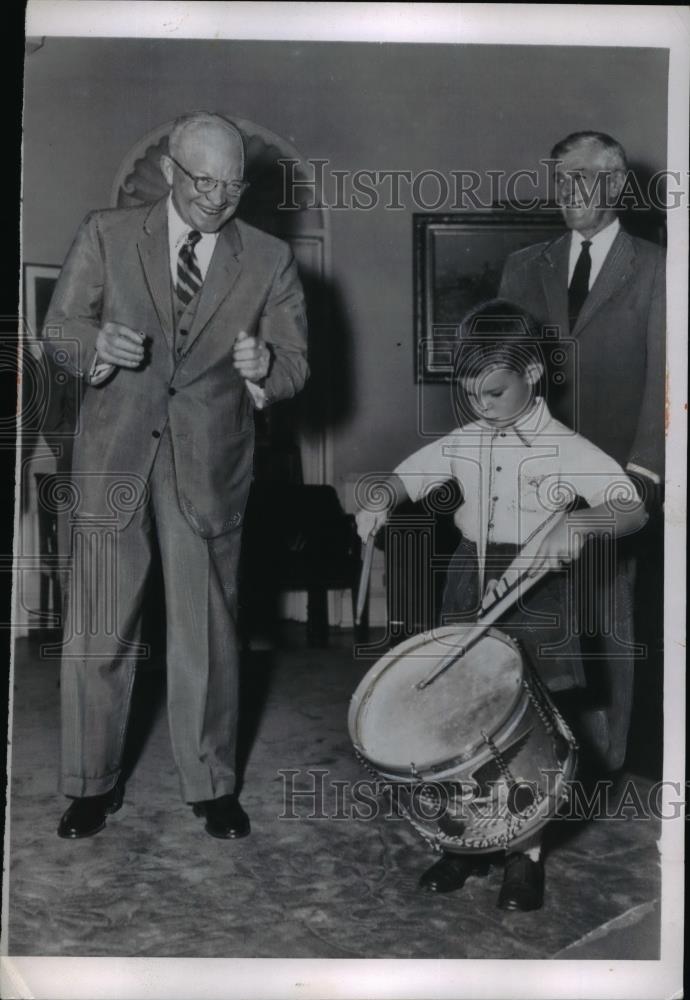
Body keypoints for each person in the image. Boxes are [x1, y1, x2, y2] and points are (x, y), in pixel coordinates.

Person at [42, 111, 308, 841]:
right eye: (203, 182)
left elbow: (296, 360)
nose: (218, 199)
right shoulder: (105, 232)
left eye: (233, 185)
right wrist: (97, 344)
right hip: (115, 456)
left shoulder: (269, 257)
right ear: (169, 171)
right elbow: (59, 330)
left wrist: (267, 372)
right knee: (98, 628)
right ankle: (90, 784)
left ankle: (211, 783)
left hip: (210, 464)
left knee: (208, 634)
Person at [355, 300, 647, 911]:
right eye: (470, 394)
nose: (480, 406)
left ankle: (526, 854)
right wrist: (379, 496)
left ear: (533, 374)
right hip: (471, 577)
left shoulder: (569, 448)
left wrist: (586, 523)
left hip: (539, 588)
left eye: (493, 391)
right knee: (464, 717)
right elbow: (405, 478)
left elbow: (632, 506)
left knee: (524, 730)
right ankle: (465, 844)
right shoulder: (465, 438)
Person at [499, 131, 665, 771]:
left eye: (586, 177)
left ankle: (610, 766)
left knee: (612, 627)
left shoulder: (657, 268)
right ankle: (530, 767)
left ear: (618, 185)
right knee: (532, 626)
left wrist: (638, 477)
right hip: (533, 477)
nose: (571, 191)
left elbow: (664, 385)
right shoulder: (524, 266)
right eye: (561, 177)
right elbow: (505, 370)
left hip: (617, 483)